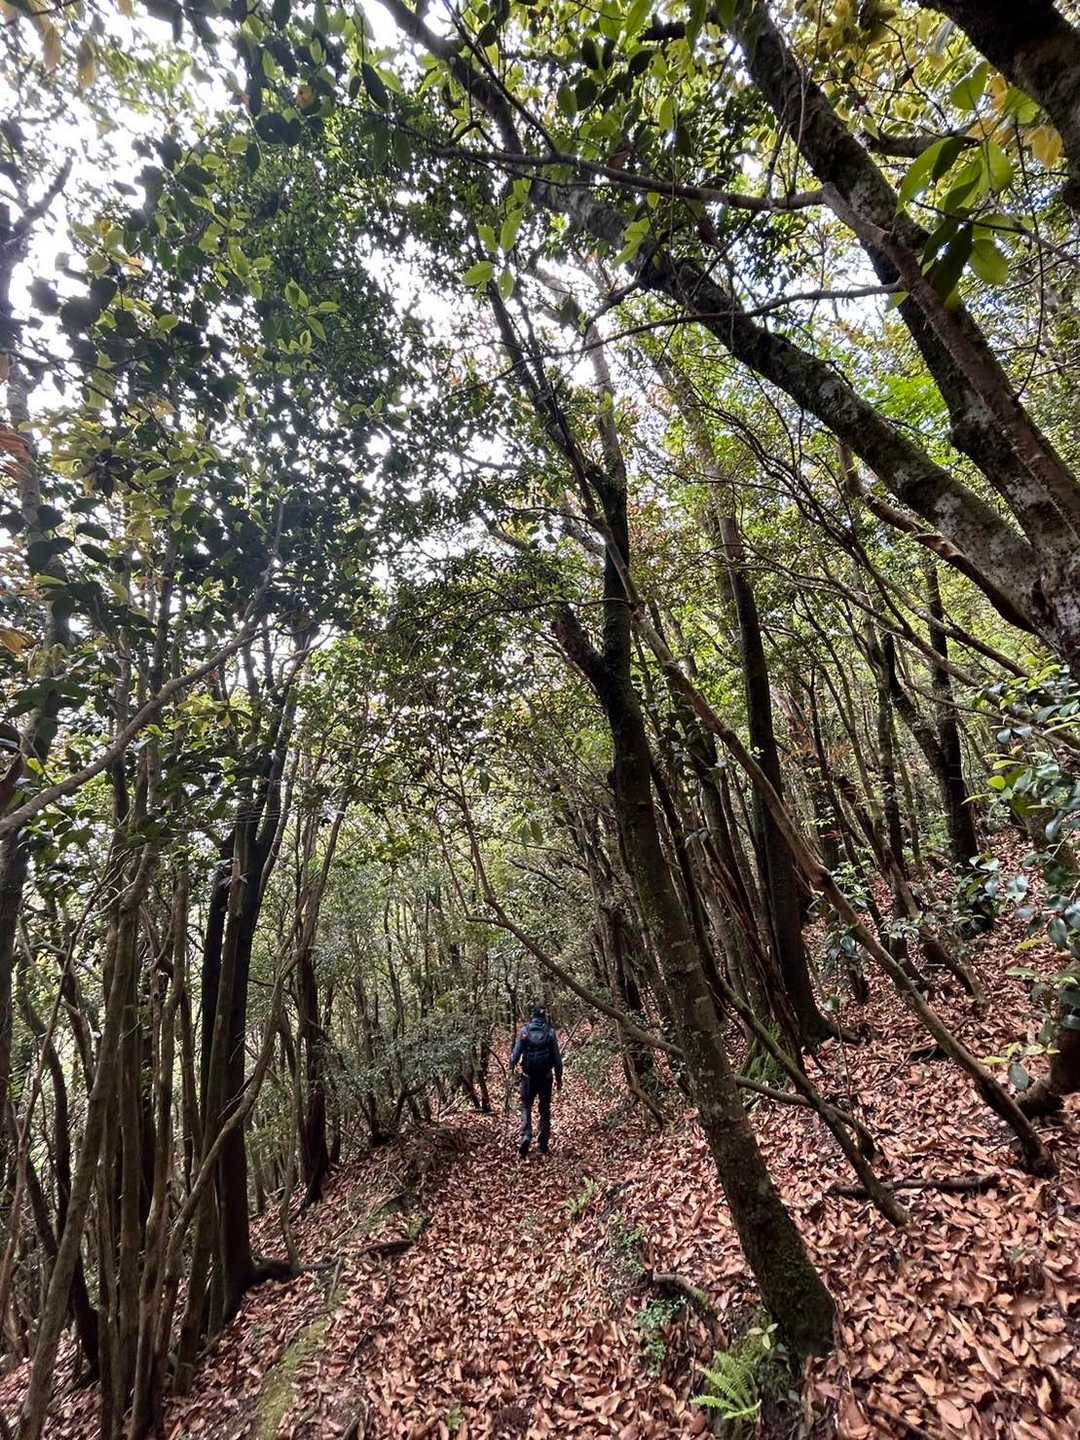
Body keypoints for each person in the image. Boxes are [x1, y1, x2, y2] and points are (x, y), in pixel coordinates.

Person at [510, 1005, 563, 1157]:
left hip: (528, 1077)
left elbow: (515, 1056)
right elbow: (557, 1059)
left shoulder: (525, 1031)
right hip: (546, 1077)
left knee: (526, 1105)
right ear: (544, 1017)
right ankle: (543, 1143)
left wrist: (511, 1068)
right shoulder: (550, 1033)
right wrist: (559, 1078)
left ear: (532, 1017)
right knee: (544, 1108)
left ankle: (526, 1135)